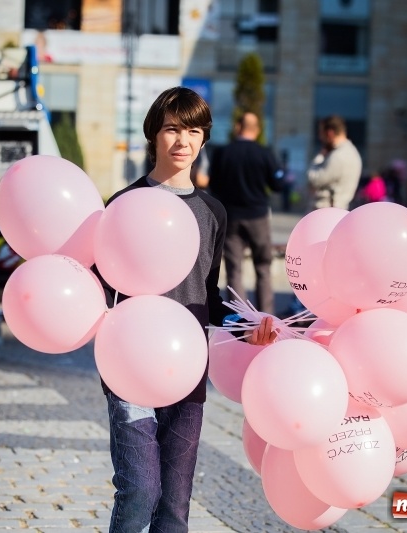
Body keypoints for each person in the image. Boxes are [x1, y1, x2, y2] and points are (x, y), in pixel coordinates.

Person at [98, 87, 277, 533]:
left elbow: (208, 293)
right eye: (172, 129)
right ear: (153, 135)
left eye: (193, 131)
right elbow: (101, 289)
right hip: (131, 369)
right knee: (140, 491)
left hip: (187, 368)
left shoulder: (213, 212)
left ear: (204, 139)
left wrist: (245, 325)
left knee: (176, 506)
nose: (183, 141)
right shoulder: (123, 204)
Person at [208, 111, 284, 314]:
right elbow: (278, 184)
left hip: (231, 217)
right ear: (257, 130)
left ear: (237, 127)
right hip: (257, 216)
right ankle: (266, 316)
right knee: (263, 266)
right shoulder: (264, 153)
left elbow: (213, 185)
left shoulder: (223, 153)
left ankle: (241, 318)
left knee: (234, 269)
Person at [306, 114, 363, 211]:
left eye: (321, 133)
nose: (320, 137)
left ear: (330, 133)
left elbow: (314, 178)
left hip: (326, 211)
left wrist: (319, 157)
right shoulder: (352, 152)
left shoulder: (337, 156)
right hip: (339, 208)